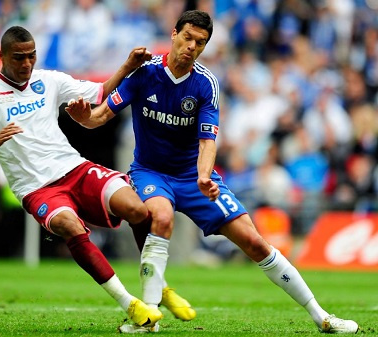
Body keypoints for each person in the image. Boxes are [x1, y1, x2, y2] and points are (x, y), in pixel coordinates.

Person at [65, 10, 359, 334]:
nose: (192, 46)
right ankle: (148, 320)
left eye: (200, 42)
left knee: (254, 242)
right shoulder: (144, 74)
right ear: (174, 33)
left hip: (193, 177)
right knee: (161, 218)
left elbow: (208, 140)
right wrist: (82, 117)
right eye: (188, 38)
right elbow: (98, 117)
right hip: (150, 172)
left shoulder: (206, 84)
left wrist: (204, 176)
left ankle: (323, 318)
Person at [0, 25, 169, 330]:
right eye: (18, 58)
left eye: (31, 56)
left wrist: (129, 66)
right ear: (1, 56)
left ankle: (154, 291)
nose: (26, 64)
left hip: (73, 168)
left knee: (138, 209)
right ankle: (130, 304)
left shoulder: (48, 80)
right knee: (68, 225)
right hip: (37, 189)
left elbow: (100, 92)